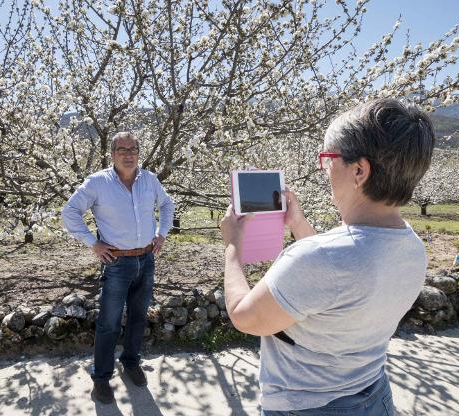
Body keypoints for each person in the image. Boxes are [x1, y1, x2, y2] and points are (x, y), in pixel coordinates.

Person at [220, 98, 435, 415]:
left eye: (328, 159)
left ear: (359, 170)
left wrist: (233, 246)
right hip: (374, 395)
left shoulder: (319, 258)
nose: (324, 171)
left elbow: (243, 316)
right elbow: (339, 279)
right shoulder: (412, 247)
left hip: (308, 406)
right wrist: (298, 225)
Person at [61, 131, 175, 404]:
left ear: (138, 152)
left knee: (138, 316)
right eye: (121, 149)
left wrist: (162, 232)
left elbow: (167, 204)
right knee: (109, 323)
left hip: (146, 259)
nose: (128, 154)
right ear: (112, 154)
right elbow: (70, 212)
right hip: (116, 262)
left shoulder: (149, 180)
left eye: (133, 149)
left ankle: (131, 361)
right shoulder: (98, 183)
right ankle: (101, 378)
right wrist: (93, 243)